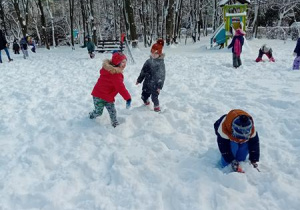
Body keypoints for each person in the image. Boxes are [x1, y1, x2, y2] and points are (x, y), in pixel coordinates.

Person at [89, 51, 131, 127]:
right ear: (117, 63)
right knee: (98, 112)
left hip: (108, 97)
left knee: (112, 111)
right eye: (122, 62)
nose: (125, 64)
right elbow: (121, 88)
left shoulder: (109, 70)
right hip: (98, 96)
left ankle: (115, 123)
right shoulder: (115, 75)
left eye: (125, 62)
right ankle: (91, 115)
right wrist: (128, 98)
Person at [136, 38, 166, 112]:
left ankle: (157, 108)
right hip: (147, 83)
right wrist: (139, 80)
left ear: (159, 54)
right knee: (143, 96)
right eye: (152, 52)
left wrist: (159, 87)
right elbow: (143, 71)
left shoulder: (160, 64)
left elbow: (162, 75)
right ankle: (146, 104)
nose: (153, 54)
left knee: (154, 98)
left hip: (155, 85)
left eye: (155, 53)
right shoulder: (148, 61)